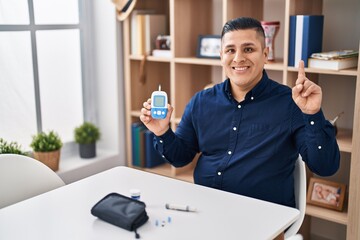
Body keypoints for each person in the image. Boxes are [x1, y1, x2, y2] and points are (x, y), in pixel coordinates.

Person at [140, 17, 340, 209]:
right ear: (221, 57)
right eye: (230, 50)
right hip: (206, 209)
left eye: (248, 49)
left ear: (265, 55)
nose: (238, 58)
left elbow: (325, 166)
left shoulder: (292, 104)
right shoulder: (201, 101)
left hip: (264, 218)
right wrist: (162, 132)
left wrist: (313, 114)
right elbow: (180, 157)